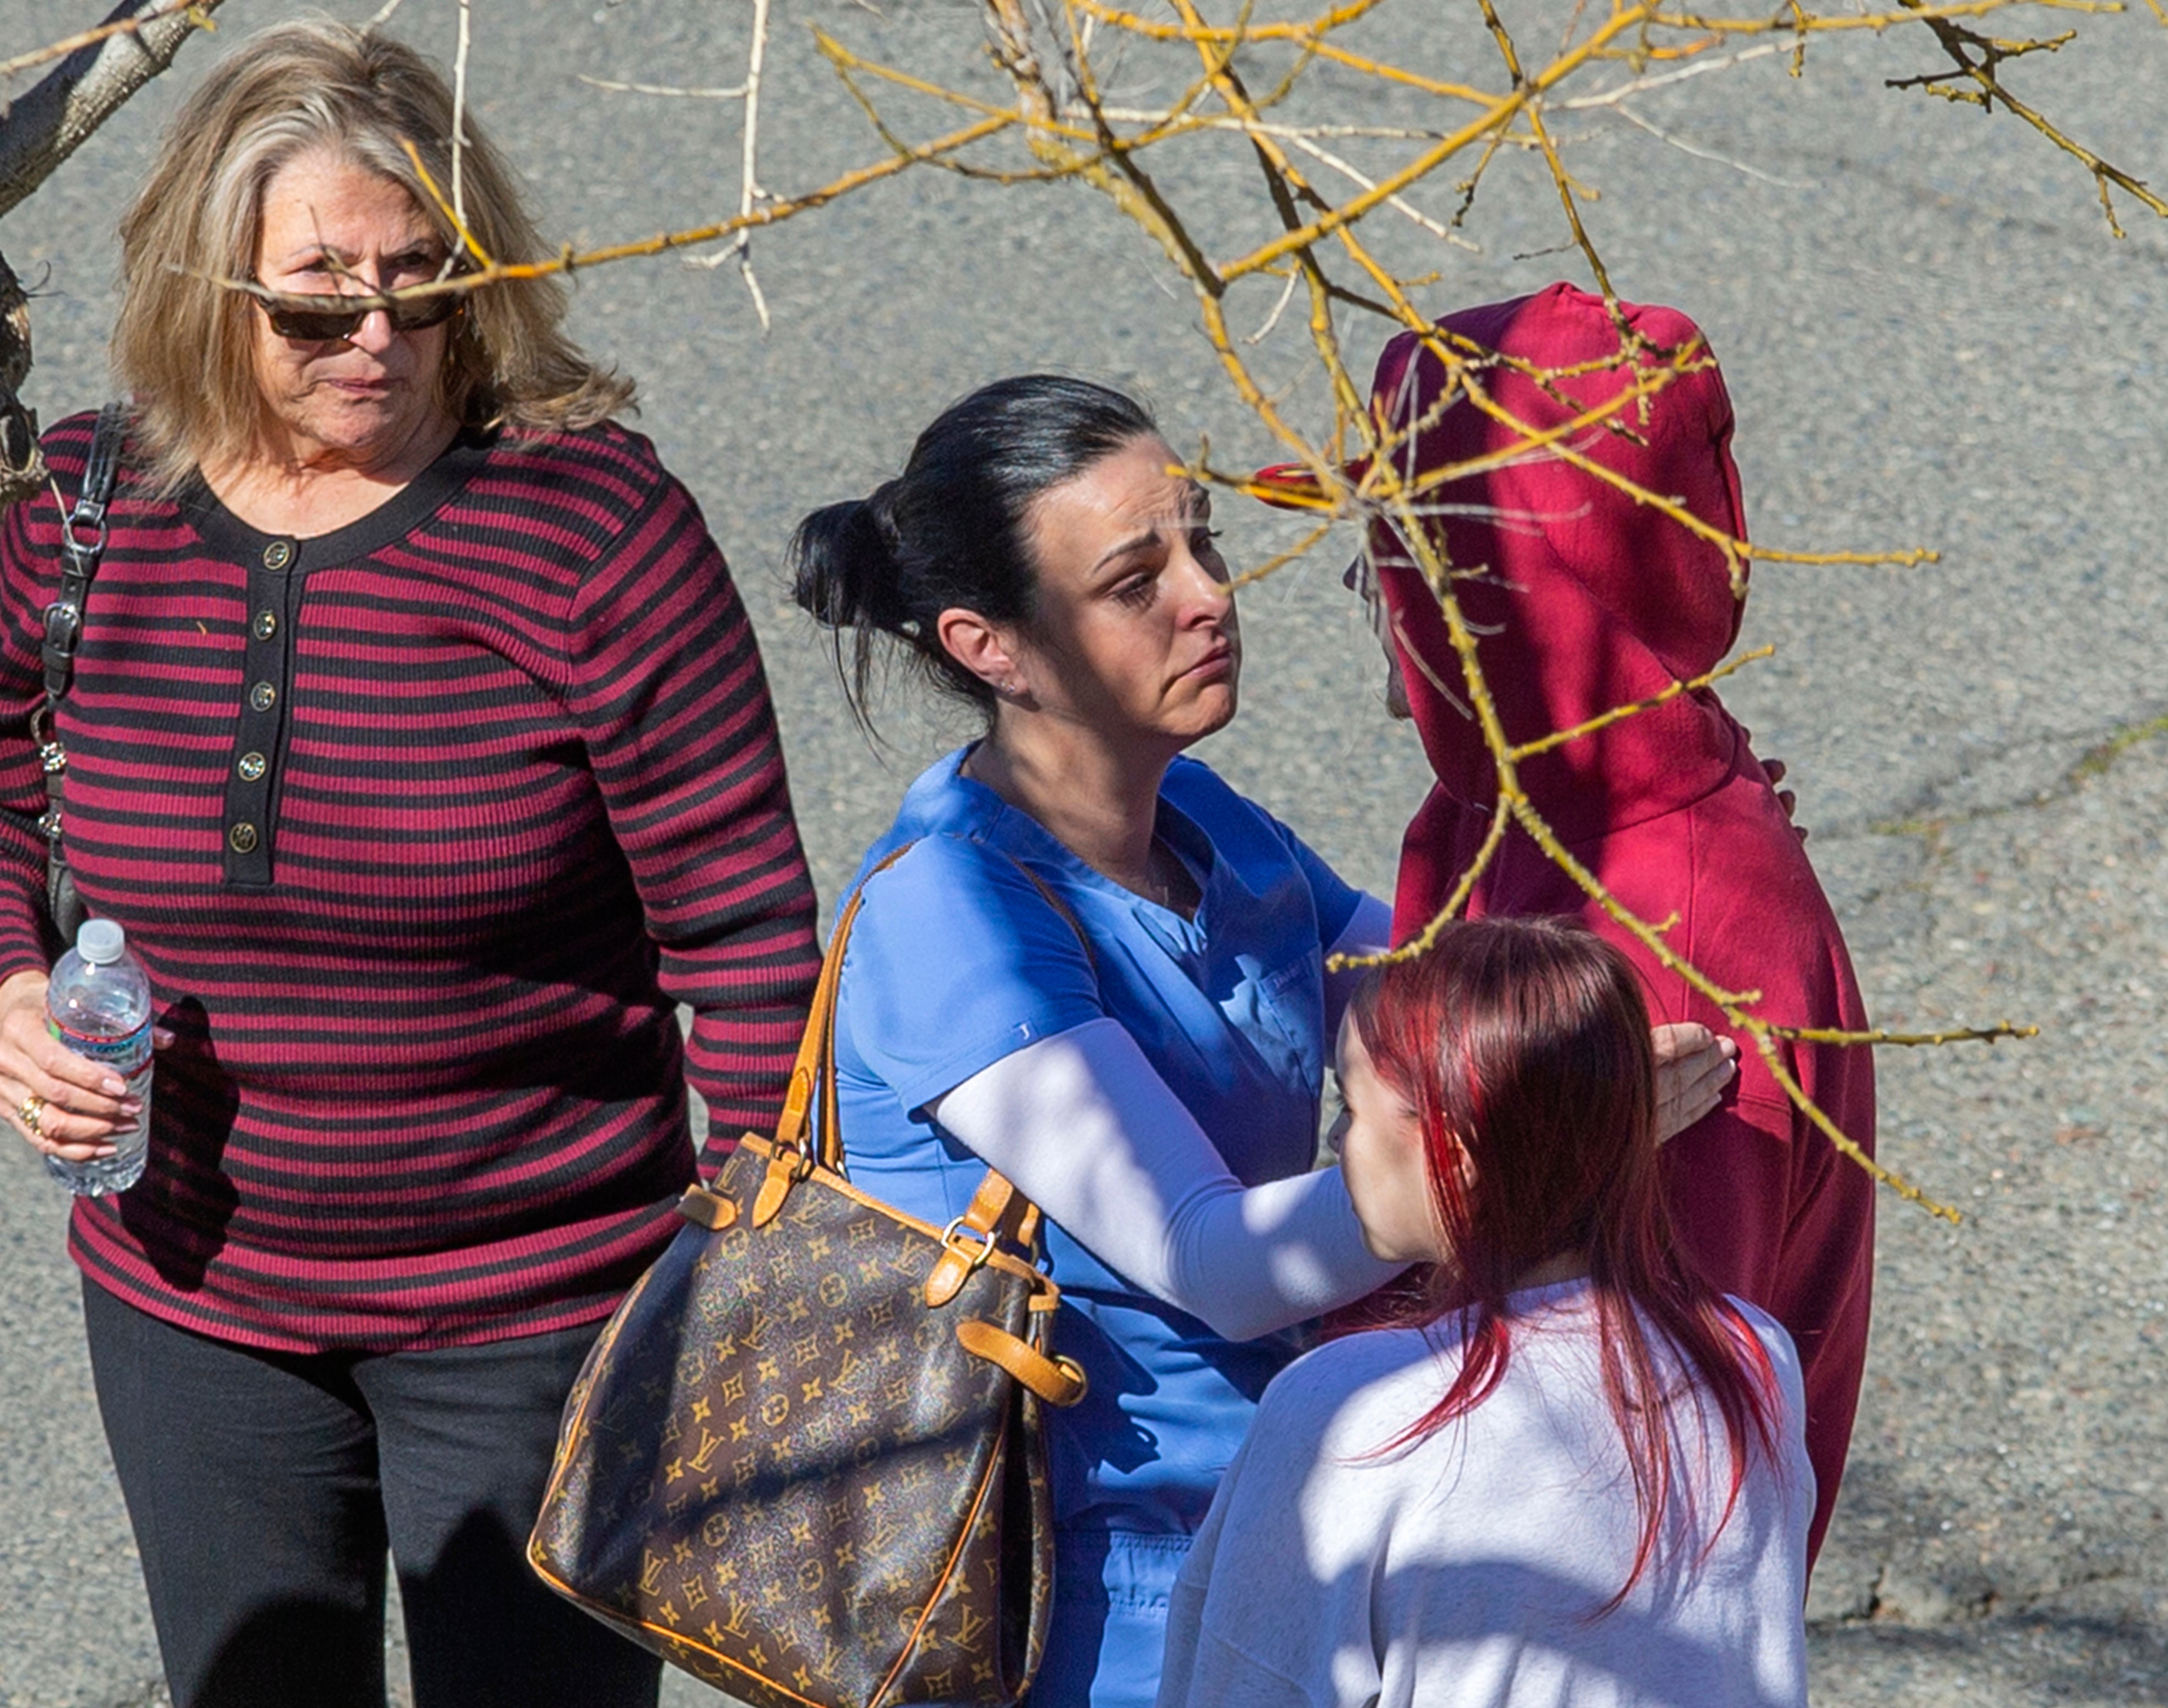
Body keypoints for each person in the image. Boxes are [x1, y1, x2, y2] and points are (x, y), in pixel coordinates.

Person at [0, 23, 817, 1708]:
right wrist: (8, 995)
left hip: (540, 1311)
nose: (382, 337)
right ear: (207, 286)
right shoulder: (86, 511)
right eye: (319, 299)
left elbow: (746, 933)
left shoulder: (587, 530)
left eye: (425, 281)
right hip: (189, 1308)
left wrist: (753, 1278)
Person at [787, 375, 1737, 1708]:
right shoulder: (957, 913)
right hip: (1086, 1605)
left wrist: (1677, 810)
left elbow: (1427, 989)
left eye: (1204, 539)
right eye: (1136, 580)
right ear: (989, 644)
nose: (1208, 592)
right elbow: (1214, 1258)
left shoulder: (1207, 821)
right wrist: (1525, 1139)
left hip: (1273, 1531)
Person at [1351, 282, 1875, 1568]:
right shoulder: (1520, 814)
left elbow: (1629, 1472)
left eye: (1403, 545)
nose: (1374, 591)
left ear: (1508, 583)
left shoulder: (1670, 941)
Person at [1156, 918, 1814, 1708]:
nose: (1336, 1138)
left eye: (1354, 1107)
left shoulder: (1350, 1410)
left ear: (1454, 1152)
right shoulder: (1751, 1354)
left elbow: (1246, 1684)